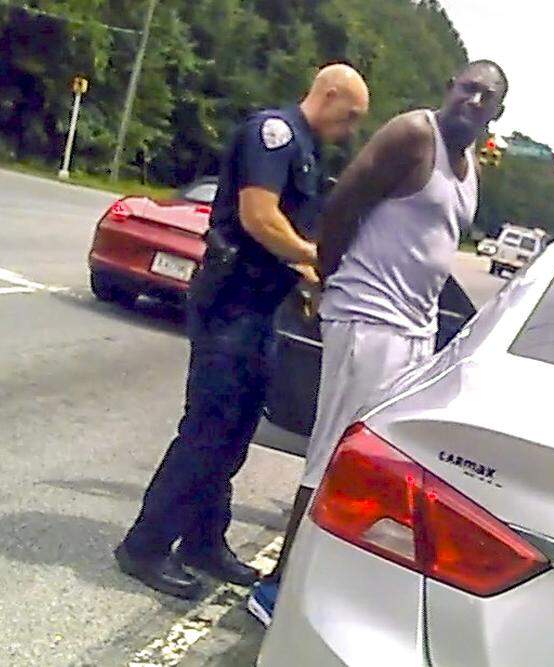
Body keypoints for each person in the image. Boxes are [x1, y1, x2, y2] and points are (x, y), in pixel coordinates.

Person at [247, 59, 508, 625]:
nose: (472, 100)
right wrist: (328, 278)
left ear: (497, 113)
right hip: (369, 316)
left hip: (414, 330)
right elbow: (345, 204)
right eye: (466, 88)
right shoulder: (414, 135)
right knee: (334, 455)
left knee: (371, 463)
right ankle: (278, 586)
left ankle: (323, 573)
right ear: (449, 88)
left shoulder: (468, 169)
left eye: (486, 97)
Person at [115, 64, 370, 599]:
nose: (349, 131)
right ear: (327, 94)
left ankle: (204, 541)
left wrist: (306, 278)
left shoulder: (306, 148)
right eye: (349, 118)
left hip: (260, 307)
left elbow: (291, 227)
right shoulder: (272, 134)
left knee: (235, 431)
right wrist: (315, 260)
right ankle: (145, 545)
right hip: (230, 303)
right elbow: (259, 218)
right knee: (208, 428)